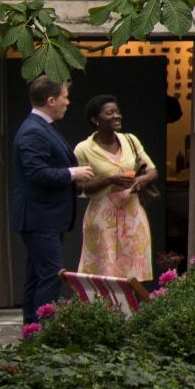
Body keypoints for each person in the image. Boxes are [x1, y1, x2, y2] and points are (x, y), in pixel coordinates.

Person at [67, 94, 157, 308]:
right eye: (110, 113)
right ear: (95, 119)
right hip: (102, 218)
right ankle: (108, 315)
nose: (116, 116)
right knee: (105, 272)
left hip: (132, 214)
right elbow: (80, 188)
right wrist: (109, 180)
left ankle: (136, 314)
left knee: (135, 268)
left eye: (117, 111)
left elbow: (152, 170)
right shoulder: (83, 149)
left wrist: (141, 180)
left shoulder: (130, 140)